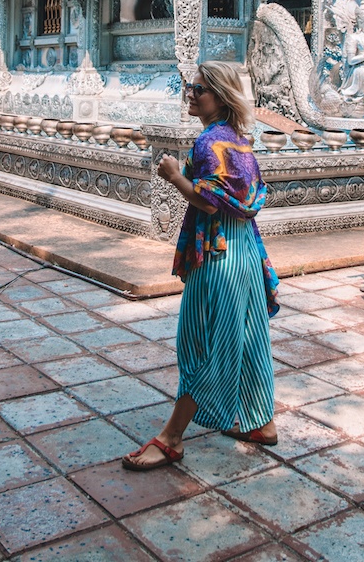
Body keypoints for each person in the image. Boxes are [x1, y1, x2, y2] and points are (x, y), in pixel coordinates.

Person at [122, 60, 279, 471]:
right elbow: (244, 206)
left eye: (200, 89)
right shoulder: (239, 141)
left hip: (218, 255)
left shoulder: (209, 143)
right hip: (242, 251)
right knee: (245, 336)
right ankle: (261, 421)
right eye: (190, 87)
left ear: (221, 98)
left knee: (202, 343)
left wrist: (174, 176)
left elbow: (210, 201)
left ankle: (171, 437)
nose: (191, 94)